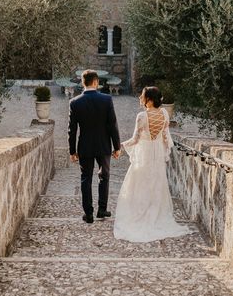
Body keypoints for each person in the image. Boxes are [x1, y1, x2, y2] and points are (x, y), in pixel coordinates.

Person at [114, 86, 191, 242]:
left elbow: (135, 140)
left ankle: (140, 214)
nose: (140, 99)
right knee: (156, 184)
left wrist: (120, 145)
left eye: (142, 96)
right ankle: (155, 213)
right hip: (156, 154)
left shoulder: (142, 116)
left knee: (140, 184)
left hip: (145, 154)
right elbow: (165, 137)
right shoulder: (164, 114)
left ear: (148, 99)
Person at [68, 69, 121, 223]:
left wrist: (72, 151)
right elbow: (113, 125)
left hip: (84, 146)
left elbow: (72, 129)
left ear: (83, 83)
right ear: (96, 82)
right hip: (103, 145)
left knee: (86, 179)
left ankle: (88, 213)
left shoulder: (75, 102)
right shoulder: (106, 100)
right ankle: (102, 209)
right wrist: (117, 147)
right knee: (104, 176)